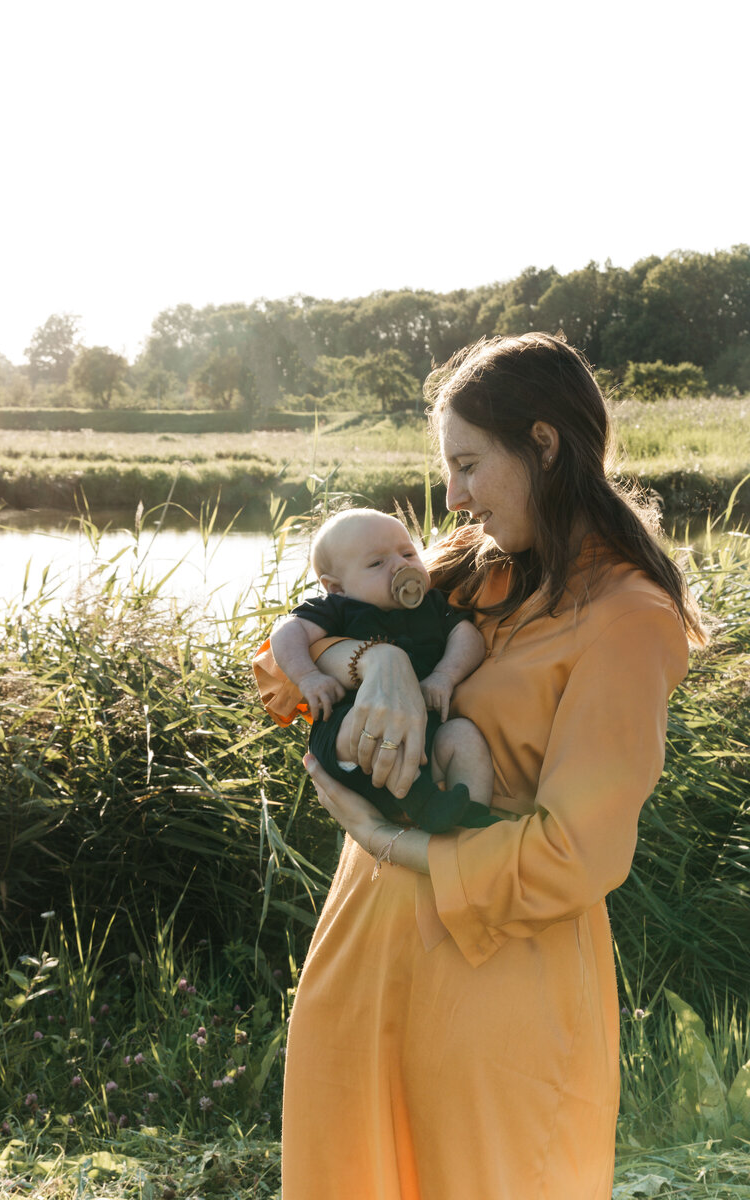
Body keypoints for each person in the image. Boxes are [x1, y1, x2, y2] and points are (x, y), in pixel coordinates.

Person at [253, 332, 705, 1199]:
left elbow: (576, 855)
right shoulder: (469, 570)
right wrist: (374, 662)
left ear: (544, 444)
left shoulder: (629, 620)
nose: (452, 498)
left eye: (467, 466)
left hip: (493, 994)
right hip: (362, 955)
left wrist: (394, 843)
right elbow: (280, 661)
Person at [269, 507, 498, 833]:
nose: (401, 565)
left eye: (408, 553)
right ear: (336, 587)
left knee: (463, 735)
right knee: (368, 724)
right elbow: (286, 632)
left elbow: (468, 636)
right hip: (351, 739)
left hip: (423, 741)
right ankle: (425, 804)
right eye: (377, 563)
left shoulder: (432, 604)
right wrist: (308, 676)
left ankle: (473, 817)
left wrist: (445, 674)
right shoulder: (339, 608)